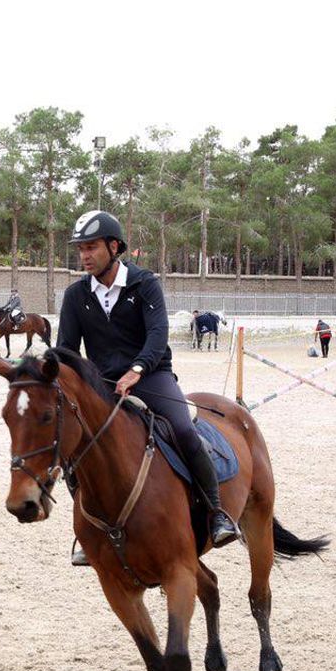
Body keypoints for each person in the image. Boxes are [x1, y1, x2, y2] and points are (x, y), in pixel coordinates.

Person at [57, 209, 239, 559]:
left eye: (91, 247)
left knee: (184, 429)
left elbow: (158, 335)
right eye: (80, 249)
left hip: (152, 375)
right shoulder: (75, 296)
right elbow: (67, 348)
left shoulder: (144, 284)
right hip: (104, 386)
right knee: (72, 448)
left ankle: (217, 514)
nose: (84, 256)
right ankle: (89, 526)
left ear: (114, 246)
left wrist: (137, 370)